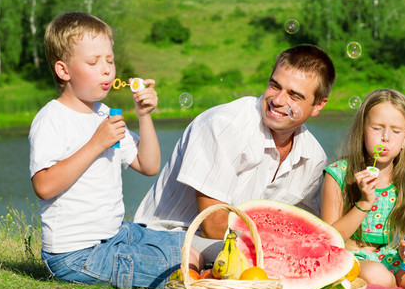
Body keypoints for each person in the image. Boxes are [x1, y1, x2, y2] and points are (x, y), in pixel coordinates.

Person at [29, 12, 201, 289]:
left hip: (114, 234)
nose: (107, 69)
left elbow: (149, 166)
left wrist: (144, 115)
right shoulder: (52, 118)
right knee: (185, 261)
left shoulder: (106, 114)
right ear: (64, 71)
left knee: (192, 243)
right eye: (93, 62)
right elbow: (44, 186)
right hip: (75, 254)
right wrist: (96, 144)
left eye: (109, 60)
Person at [134, 44, 335, 240]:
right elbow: (212, 226)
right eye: (275, 85)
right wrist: (282, 243)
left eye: (294, 95)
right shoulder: (223, 125)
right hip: (169, 236)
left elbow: (312, 228)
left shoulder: (314, 157)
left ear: (318, 105)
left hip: (242, 244)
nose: (279, 100)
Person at [321, 89, 405, 289]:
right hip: (352, 259)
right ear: (362, 129)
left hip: (393, 258)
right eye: (377, 128)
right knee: (379, 277)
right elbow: (330, 240)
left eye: (396, 131)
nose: (386, 137)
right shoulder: (338, 174)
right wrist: (364, 203)